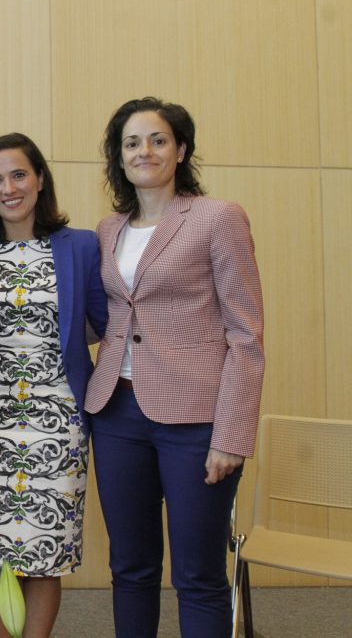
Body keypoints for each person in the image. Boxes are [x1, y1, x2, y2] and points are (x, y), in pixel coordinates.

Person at [85, 97, 265, 637]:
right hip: (116, 414)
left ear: (181, 150)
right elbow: (108, 315)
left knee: (198, 574)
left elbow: (246, 335)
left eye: (158, 140)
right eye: (132, 142)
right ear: (118, 157)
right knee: (130, 569)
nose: (145, 151)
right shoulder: (107, 228)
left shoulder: (218, 217)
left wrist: (231, 435)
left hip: (196, 421)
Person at [0, 133, 108, 638]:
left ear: (40, 179)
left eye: (18, 174)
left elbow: (107, 322)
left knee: (44, 551)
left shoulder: (82, 246)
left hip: (57, 421)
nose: (8, 188)